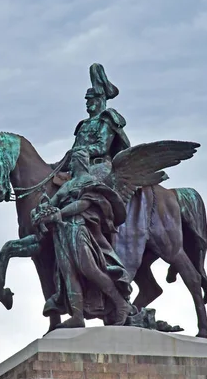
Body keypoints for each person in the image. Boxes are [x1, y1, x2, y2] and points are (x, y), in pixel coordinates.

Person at [33, 147, 134, 328]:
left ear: (79, 161)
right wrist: (41, 210)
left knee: (89, 268)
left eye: (72, 161)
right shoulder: (67, 186)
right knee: (67, 273)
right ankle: (77, 315)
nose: (70, 165)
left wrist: (59, 214)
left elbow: (85, 203)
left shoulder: (90, 181)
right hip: (62, 233)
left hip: (78, 229)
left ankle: (121, 304)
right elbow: (53, 203)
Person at [50, 64, 131, 179]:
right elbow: (73, 152)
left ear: (100, 100)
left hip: (100, 168)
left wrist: (80, 151)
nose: (88, 103)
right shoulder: (83, 125)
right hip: (79, 167)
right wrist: (52, 167)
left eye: (92, 100)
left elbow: (102, 147)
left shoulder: (106, 120)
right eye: (87, 100)